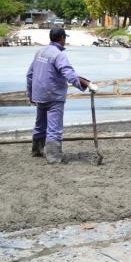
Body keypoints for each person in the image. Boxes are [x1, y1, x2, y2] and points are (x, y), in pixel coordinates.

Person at [26, 27, 92, 164]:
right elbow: (68, 72)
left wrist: (31, 94)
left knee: (40, 123)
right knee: (54, 127)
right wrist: (84, 85)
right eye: (65, 38)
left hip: (40, 94)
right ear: (62, 38)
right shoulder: (58, 55)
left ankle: (37, 150)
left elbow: (30, 75)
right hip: (53, 95)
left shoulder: (40, 51)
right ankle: (54, 157)